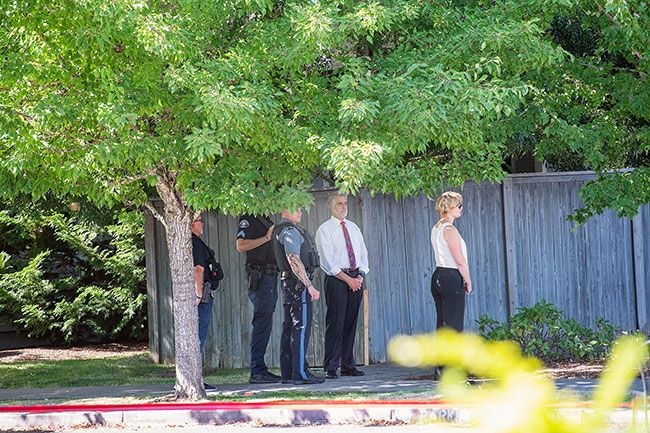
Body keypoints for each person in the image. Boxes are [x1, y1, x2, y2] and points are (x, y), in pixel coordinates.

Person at [315, 194, 369, 379]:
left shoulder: (353, 227)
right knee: (336, 323)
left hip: (356, 278)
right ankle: (331, 365)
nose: (343, 206)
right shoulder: (325, 230)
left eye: (345, 203)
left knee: (351, 323)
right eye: (339, 203)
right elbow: (328, 262)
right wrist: (349, 280)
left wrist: (360, 275)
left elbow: (363, 253)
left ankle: (348, 364)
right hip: (337, 278)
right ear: (330, 206)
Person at [271, 208, 325, 385]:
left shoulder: (279, 229)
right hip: (298, 284)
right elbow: (293, 258)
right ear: (286, 209)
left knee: (289, 328)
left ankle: (288, 373)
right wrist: (309, 286)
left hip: (289, 284)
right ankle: (300, 373)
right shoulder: (290, 232)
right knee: (300, 328)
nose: (301, 212)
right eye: (297, 209)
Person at [235, 214, 281, 384]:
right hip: (260, 278)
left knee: (265, 323)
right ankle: (257, 370)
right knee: (261, 323)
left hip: (270, 276)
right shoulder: (249, 218)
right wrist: (266, 237)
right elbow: (240, 246)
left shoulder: (265, 218)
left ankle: (260, 368)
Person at [430, 191, 472, 334]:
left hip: (438, 276)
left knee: (442, 324)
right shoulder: (450, 229)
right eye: (459, 205)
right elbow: (460, 261)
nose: (461, 208)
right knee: (454, 326)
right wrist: (468, 281)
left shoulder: (436, 228)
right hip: (451, 276)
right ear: (449, 207)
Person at [191, 213, 223, 391]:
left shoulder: (195, 242)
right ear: (191, 224)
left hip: (201, 295)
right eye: (199, 221)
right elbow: (198, 269)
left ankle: (193, 378)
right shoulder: (195, 244)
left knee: (198, 336)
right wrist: (199, 293)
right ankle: (195, 379)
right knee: (198, 337)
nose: (202, 224)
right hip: (201, 297)